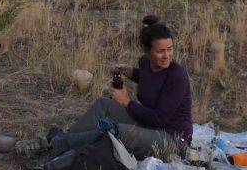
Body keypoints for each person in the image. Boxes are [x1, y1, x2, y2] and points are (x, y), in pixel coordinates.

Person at [17, 15, 192, 160]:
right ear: (146, 51)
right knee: (104, 104)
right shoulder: (145, 63)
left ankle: (54, 146)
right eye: (160, 51)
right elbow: (150, 79)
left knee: (118, 131)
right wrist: (130, 72)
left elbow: (159, 119)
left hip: (173, 140)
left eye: (170, 49)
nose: (166, 55)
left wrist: (126, 102)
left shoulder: (177, 75)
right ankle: (62, 144)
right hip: (149, 127)